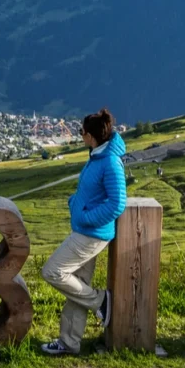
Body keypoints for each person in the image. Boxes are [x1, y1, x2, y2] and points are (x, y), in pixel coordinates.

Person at [41, 108, 128, 355]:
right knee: (77, 284)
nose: (80, 136)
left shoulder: (110, 161)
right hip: (87, 230)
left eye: (82, 132)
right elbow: (94, 192)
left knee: (52, 272)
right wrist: (75, 201)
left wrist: (87, 217)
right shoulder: (98, 155)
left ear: (91, 136)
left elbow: (117, 202)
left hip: (90, 234)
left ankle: (100, 301)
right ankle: (69, 343)